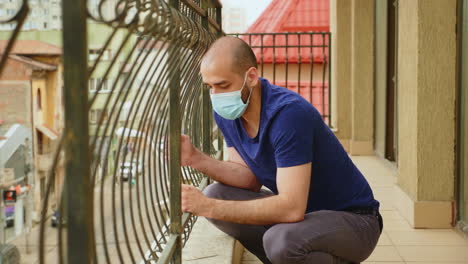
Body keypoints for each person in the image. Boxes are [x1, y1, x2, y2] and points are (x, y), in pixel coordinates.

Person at [180, 36, 383, 264]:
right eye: (210, 87)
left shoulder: (289, 115)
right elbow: (248, 177)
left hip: (355, 221)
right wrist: (194, 158)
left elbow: (291, 209)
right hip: (305, 219)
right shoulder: (229, 113)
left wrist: (209, 208)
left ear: (252, 77)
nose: (216, 96)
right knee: (216, 194)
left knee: (280, 240)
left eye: (223, 85)